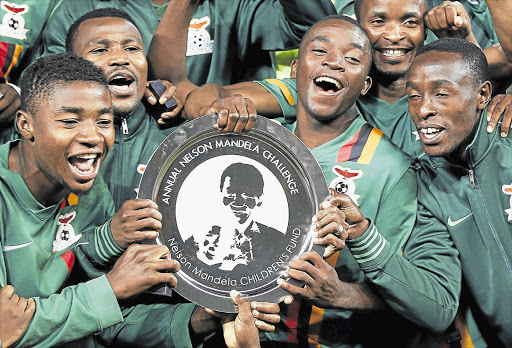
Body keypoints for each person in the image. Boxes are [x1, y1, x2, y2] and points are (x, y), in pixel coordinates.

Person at [334, 36, 512, 347]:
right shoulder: (425, 184)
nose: (423, 109)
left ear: (483, 94)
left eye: (441, 93)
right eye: (414, 96)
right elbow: (438, 305)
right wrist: (363, 236)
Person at [174, 0, 512, 154]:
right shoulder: (335, 90)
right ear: (359, 28)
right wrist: (215, 104)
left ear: (426, 31)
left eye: (410, 22)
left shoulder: (452, 99)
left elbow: (500, 62)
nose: (395, 35)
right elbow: (210, 97)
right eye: (378, 22)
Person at [41, 0, 335, 89]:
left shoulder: (232, 4)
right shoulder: (79, 9)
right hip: (116, 155)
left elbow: (317, 28)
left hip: (218, 146)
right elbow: (56, 93)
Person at [188, 163, 285, 271]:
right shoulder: (197, 241)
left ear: (260, 199)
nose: (238, 203)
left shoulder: (279, 241)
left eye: (247, 194)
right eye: (230, 193)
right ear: (221, 194)